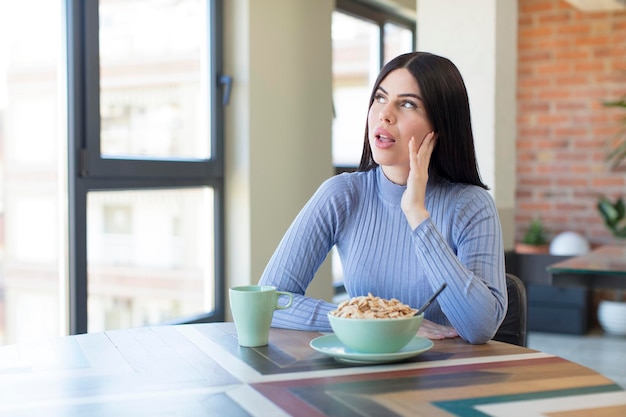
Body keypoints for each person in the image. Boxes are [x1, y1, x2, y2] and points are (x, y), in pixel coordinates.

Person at [258, 51, 506, 344]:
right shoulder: (341, 195)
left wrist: (417, 214)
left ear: (440, 126)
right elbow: (268, 302)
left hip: (446, 377)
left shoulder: (472, 205)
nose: (385, 114)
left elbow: (480, 328)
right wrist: (372, 317)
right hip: (363, 373)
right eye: (380, 98)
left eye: (408, 104)